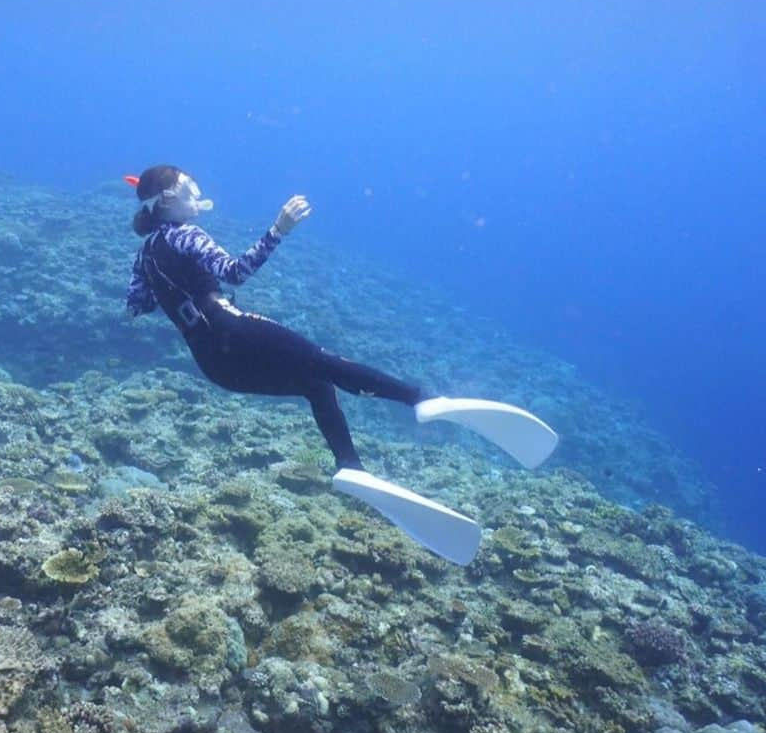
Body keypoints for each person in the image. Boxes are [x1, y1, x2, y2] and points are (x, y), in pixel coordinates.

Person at [123, 165, 557, 563]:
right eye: (188, 188)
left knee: (316, 384)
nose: (197, 194)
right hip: (231, 329)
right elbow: (235, 272)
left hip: (215, 365)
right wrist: (278, 230)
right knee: (324, 363)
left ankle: (351, 466)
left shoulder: (146, 254)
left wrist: (167, 285)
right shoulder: (184, 235)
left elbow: (136, 306)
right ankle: (422, 401)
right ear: (167, 201)